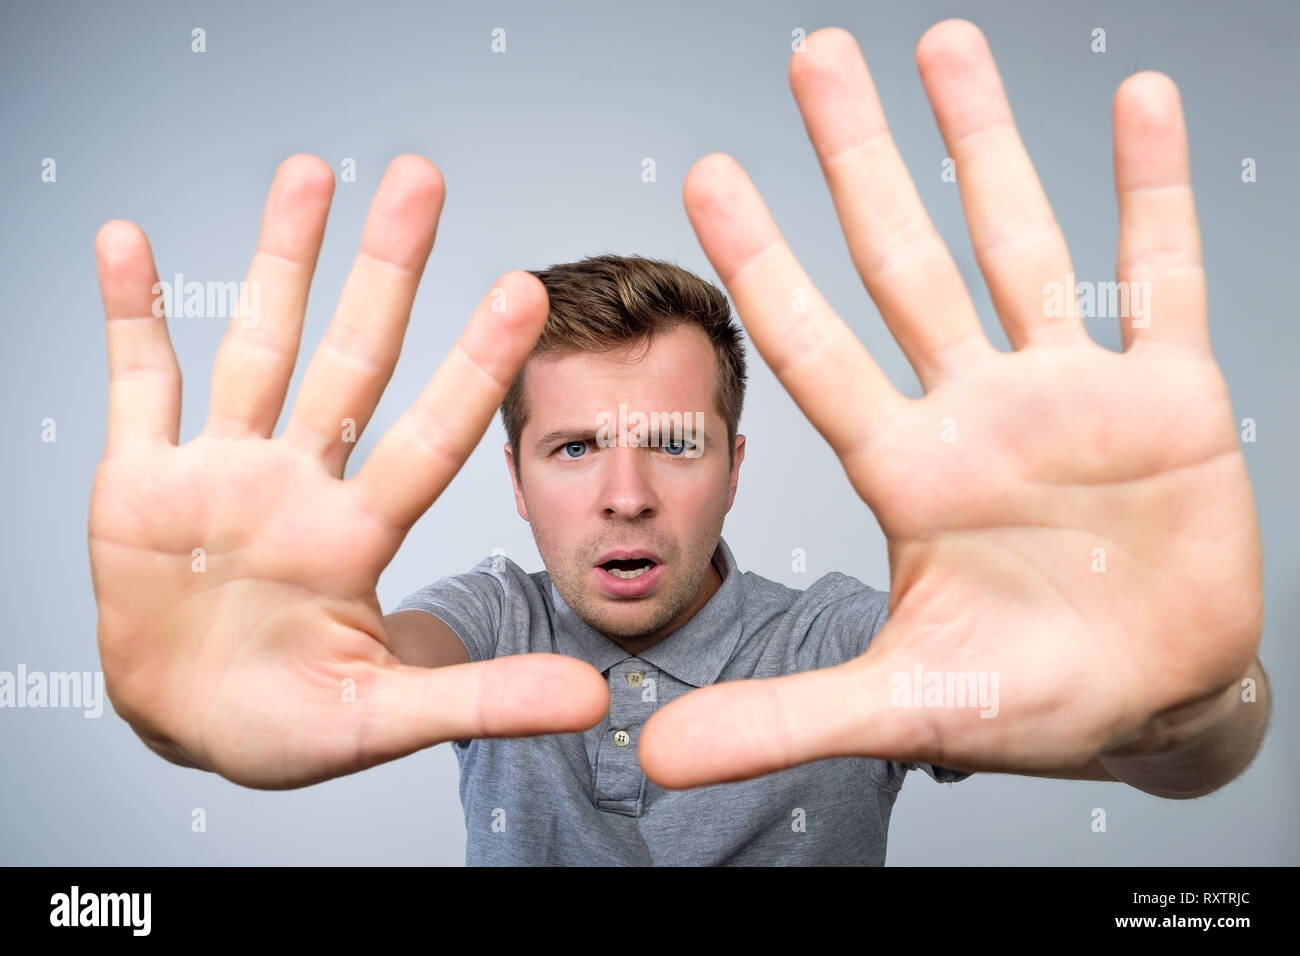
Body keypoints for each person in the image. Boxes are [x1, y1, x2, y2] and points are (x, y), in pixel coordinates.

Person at [88, 20, 1270, 865]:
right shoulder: (488, 621)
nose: (623, 495)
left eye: (672, 443)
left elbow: (1175, 755)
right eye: (568, 450)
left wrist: (1196, 709)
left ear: (737, 465)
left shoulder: (845, 638)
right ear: (510, 478)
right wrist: (196, 700)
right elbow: (367, 668)